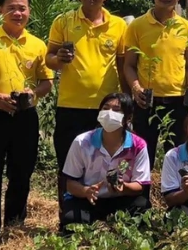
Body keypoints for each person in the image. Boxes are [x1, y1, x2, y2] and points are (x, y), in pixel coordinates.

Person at [0, 0, 54, 245]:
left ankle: (15, 225)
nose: (18, 13)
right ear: (0, 10)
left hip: (25, 117)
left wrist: (33, 93)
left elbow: (46, 83)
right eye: (12, 8)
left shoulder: (38, 45)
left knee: (21, 172)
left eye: (22, 8)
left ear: (28, 11)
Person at [47, 0, 127, 201]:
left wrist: (126, 104)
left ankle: (102, 214)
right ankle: (68, 215)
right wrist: (59, 58)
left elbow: (122, 67)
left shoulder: (119, 25)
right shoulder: (63, 21)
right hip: (71, 106)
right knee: (68, 164)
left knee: (107, 163)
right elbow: (48, 58)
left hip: (108, 109)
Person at [123, 0, 188, 166]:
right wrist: (136, 89)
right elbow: (129, 65)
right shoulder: (137, 26)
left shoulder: (187, 28)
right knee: (142, 157)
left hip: (178, 102)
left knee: (178, 158)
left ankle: (175, 195)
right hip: (146, 102)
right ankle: (142, 196)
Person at [59, 93, 151, 232]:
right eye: (105, 108)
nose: (109, 113)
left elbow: (140, 185)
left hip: (120, 199)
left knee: (142, 208)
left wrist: (124, 188)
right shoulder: (82, 142)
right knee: (72, 221)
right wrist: (86, 191)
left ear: (128, 118)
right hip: (89, 199)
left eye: (116, 110)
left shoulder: (138, 145)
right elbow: (70, 183)